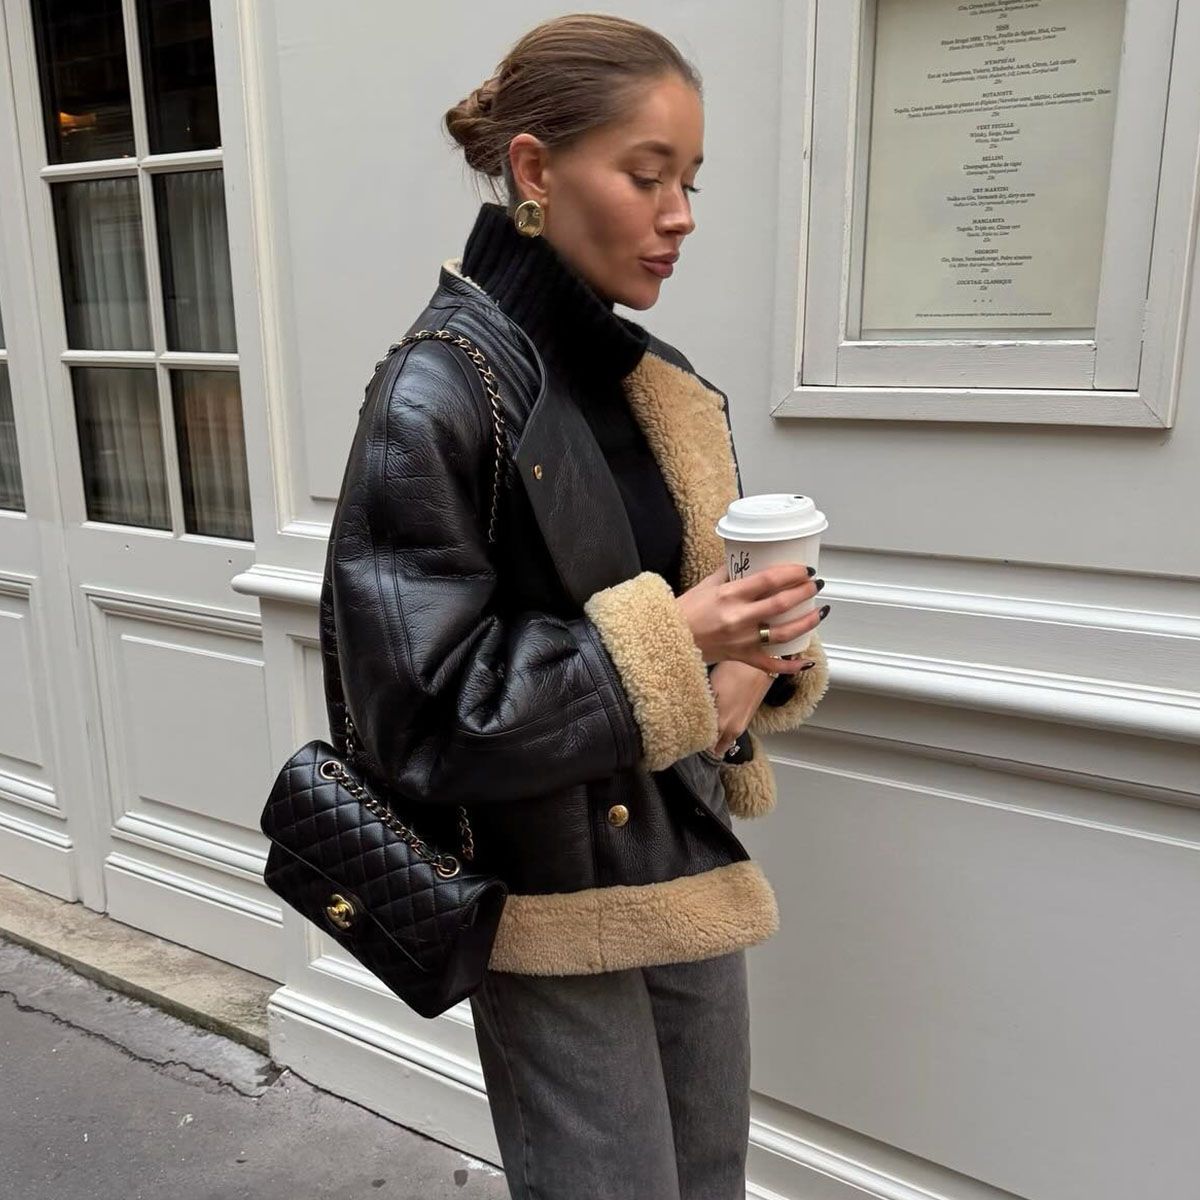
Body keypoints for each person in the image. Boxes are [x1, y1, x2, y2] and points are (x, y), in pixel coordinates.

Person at [319, 13, 832, 1199]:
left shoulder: (664, 393)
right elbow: (420, 719)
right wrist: (679, 640)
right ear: (537, 171)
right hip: (549, 905)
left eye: (691, 181)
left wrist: (757, 667)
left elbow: (717, 628)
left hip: (690, 871)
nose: (681, 214)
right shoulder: (431, 396)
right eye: (647, 175)